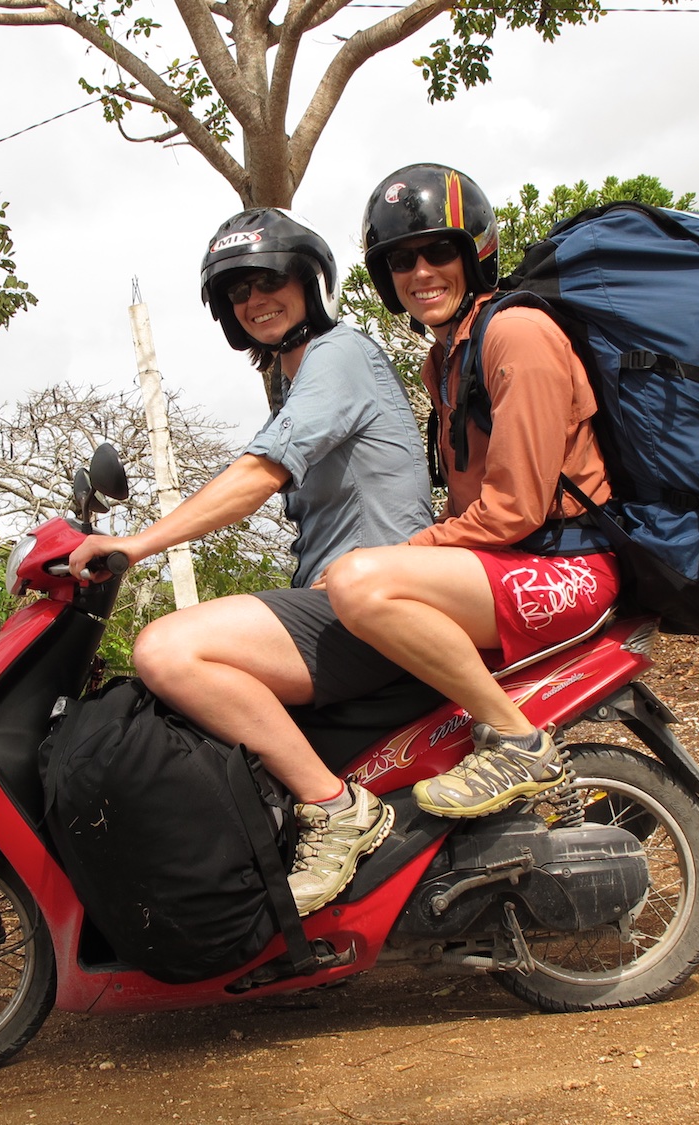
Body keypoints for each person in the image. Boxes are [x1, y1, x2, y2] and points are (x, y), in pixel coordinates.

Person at [68, 208, 433, 914]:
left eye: (271, 279)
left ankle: (337, 809)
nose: (255, 299)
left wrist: (136, 544)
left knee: (169, 651)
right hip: (341, 605)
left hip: (375, 607)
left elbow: (257, 475)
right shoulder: (297, 379)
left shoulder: (341, 356)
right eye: (238, 292)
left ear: (308, 282)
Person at [323, 163, 621, 818]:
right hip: (511, 565)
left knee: (357, 583)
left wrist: (399, 557)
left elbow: (513, 509)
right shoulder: (445, 358)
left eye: (438, 251)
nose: (421, 272)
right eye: (402, 260)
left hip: (564, 567)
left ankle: (518, 743)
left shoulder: (516, 333)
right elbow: (468, 510)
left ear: (474, 254)